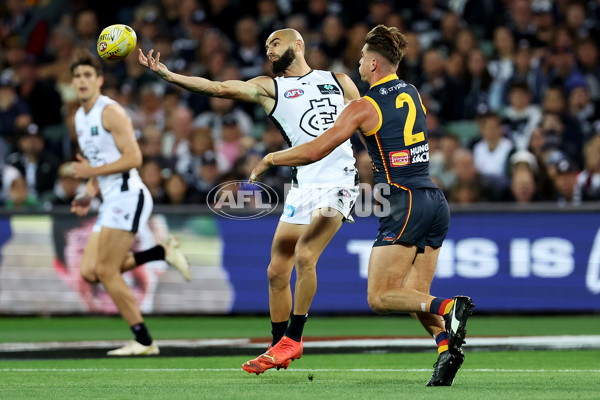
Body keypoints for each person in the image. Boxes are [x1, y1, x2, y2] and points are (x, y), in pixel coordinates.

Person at [249, 25, 474, 386]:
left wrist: (271, 158)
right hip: (434, 199)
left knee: (381, 297)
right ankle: (446, 349)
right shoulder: (412, 91)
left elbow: (313, 150)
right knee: (413, 296)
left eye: (361, 58)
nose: (357, 63)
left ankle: (449, 308)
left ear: (372, 62)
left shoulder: (363, 106)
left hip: (403, 201)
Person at [139, 28, 361, 374]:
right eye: (267, 44)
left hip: (340, 181)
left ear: (298, 44)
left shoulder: (341, 80)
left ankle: (294, 339)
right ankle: (276, 346)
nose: (269, 49)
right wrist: (169, 76)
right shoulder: (269, 87)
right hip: (303, 186)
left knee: (305, 255)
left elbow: (368, 125)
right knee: (276, 271)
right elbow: (218, 87)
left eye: (276, 42)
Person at [69, 49, 191, 356]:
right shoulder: (80, 118)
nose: (82, 81)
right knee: (89, 272)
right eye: (77, 76)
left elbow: (134, 158)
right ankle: (160, 251)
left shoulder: (109, 111)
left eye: (87, 75)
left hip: (128, 195)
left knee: (107, 272)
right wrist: (88, 191)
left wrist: (91, 173)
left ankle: (144, 341)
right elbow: (99, 162)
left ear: (98, 80)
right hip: (110, 198)